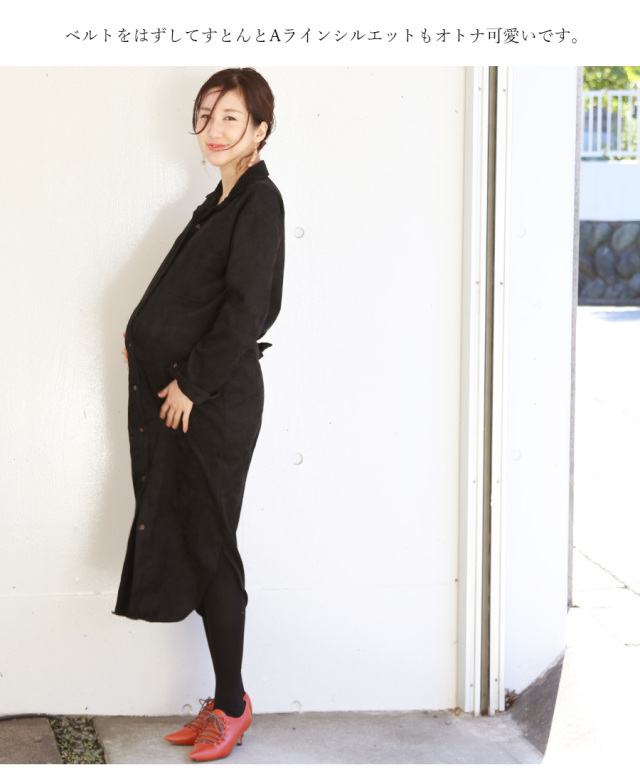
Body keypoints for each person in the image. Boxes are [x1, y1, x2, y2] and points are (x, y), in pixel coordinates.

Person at [114, 67, 285, 762]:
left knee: (211, 543)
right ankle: (223, 699)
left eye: (230, 118)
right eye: (206, 115)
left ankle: (234, 705)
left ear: (260, 130)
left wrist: (189, 383)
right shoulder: (219, 201)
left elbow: (247, 311)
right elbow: (188, 299)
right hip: (187, 401)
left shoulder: (259, 201)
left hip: (211, 405)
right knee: (195, 536)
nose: (213, 130)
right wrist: (144, 342)